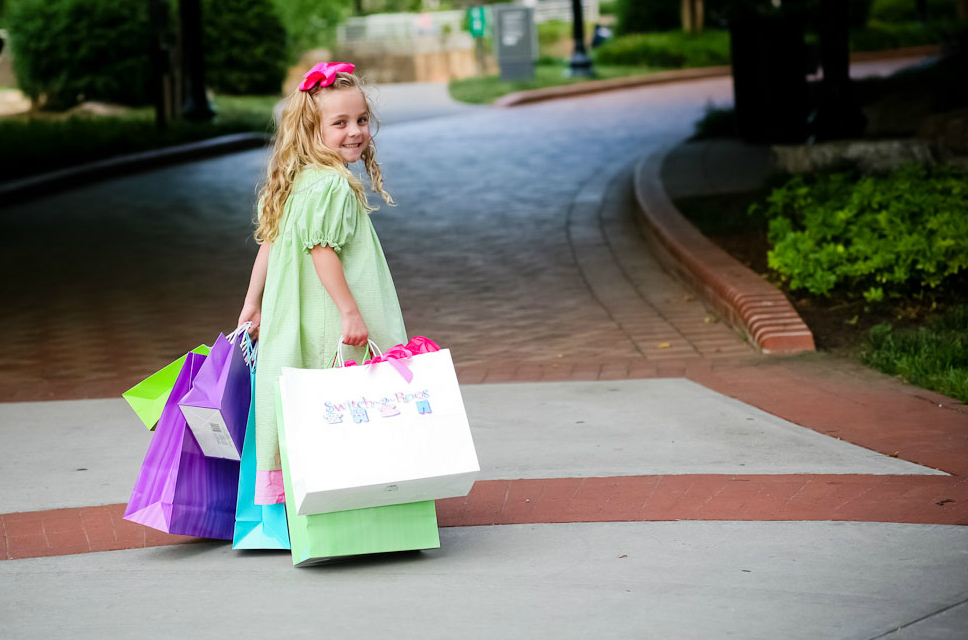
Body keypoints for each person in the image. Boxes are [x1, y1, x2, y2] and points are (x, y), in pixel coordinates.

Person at [237, 62, 405, 505]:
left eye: (362, 120)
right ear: (312, 130)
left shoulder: (298, 180)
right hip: (333, 317)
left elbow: (270, 243)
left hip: (297, 318)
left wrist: (253, 303)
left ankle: (299, 499)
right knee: (349, 398)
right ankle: (357, 495)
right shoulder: (332, 185)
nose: (356, 131)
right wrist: (351, 312)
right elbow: (322, 250)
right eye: (340, 123)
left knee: (305, 399)